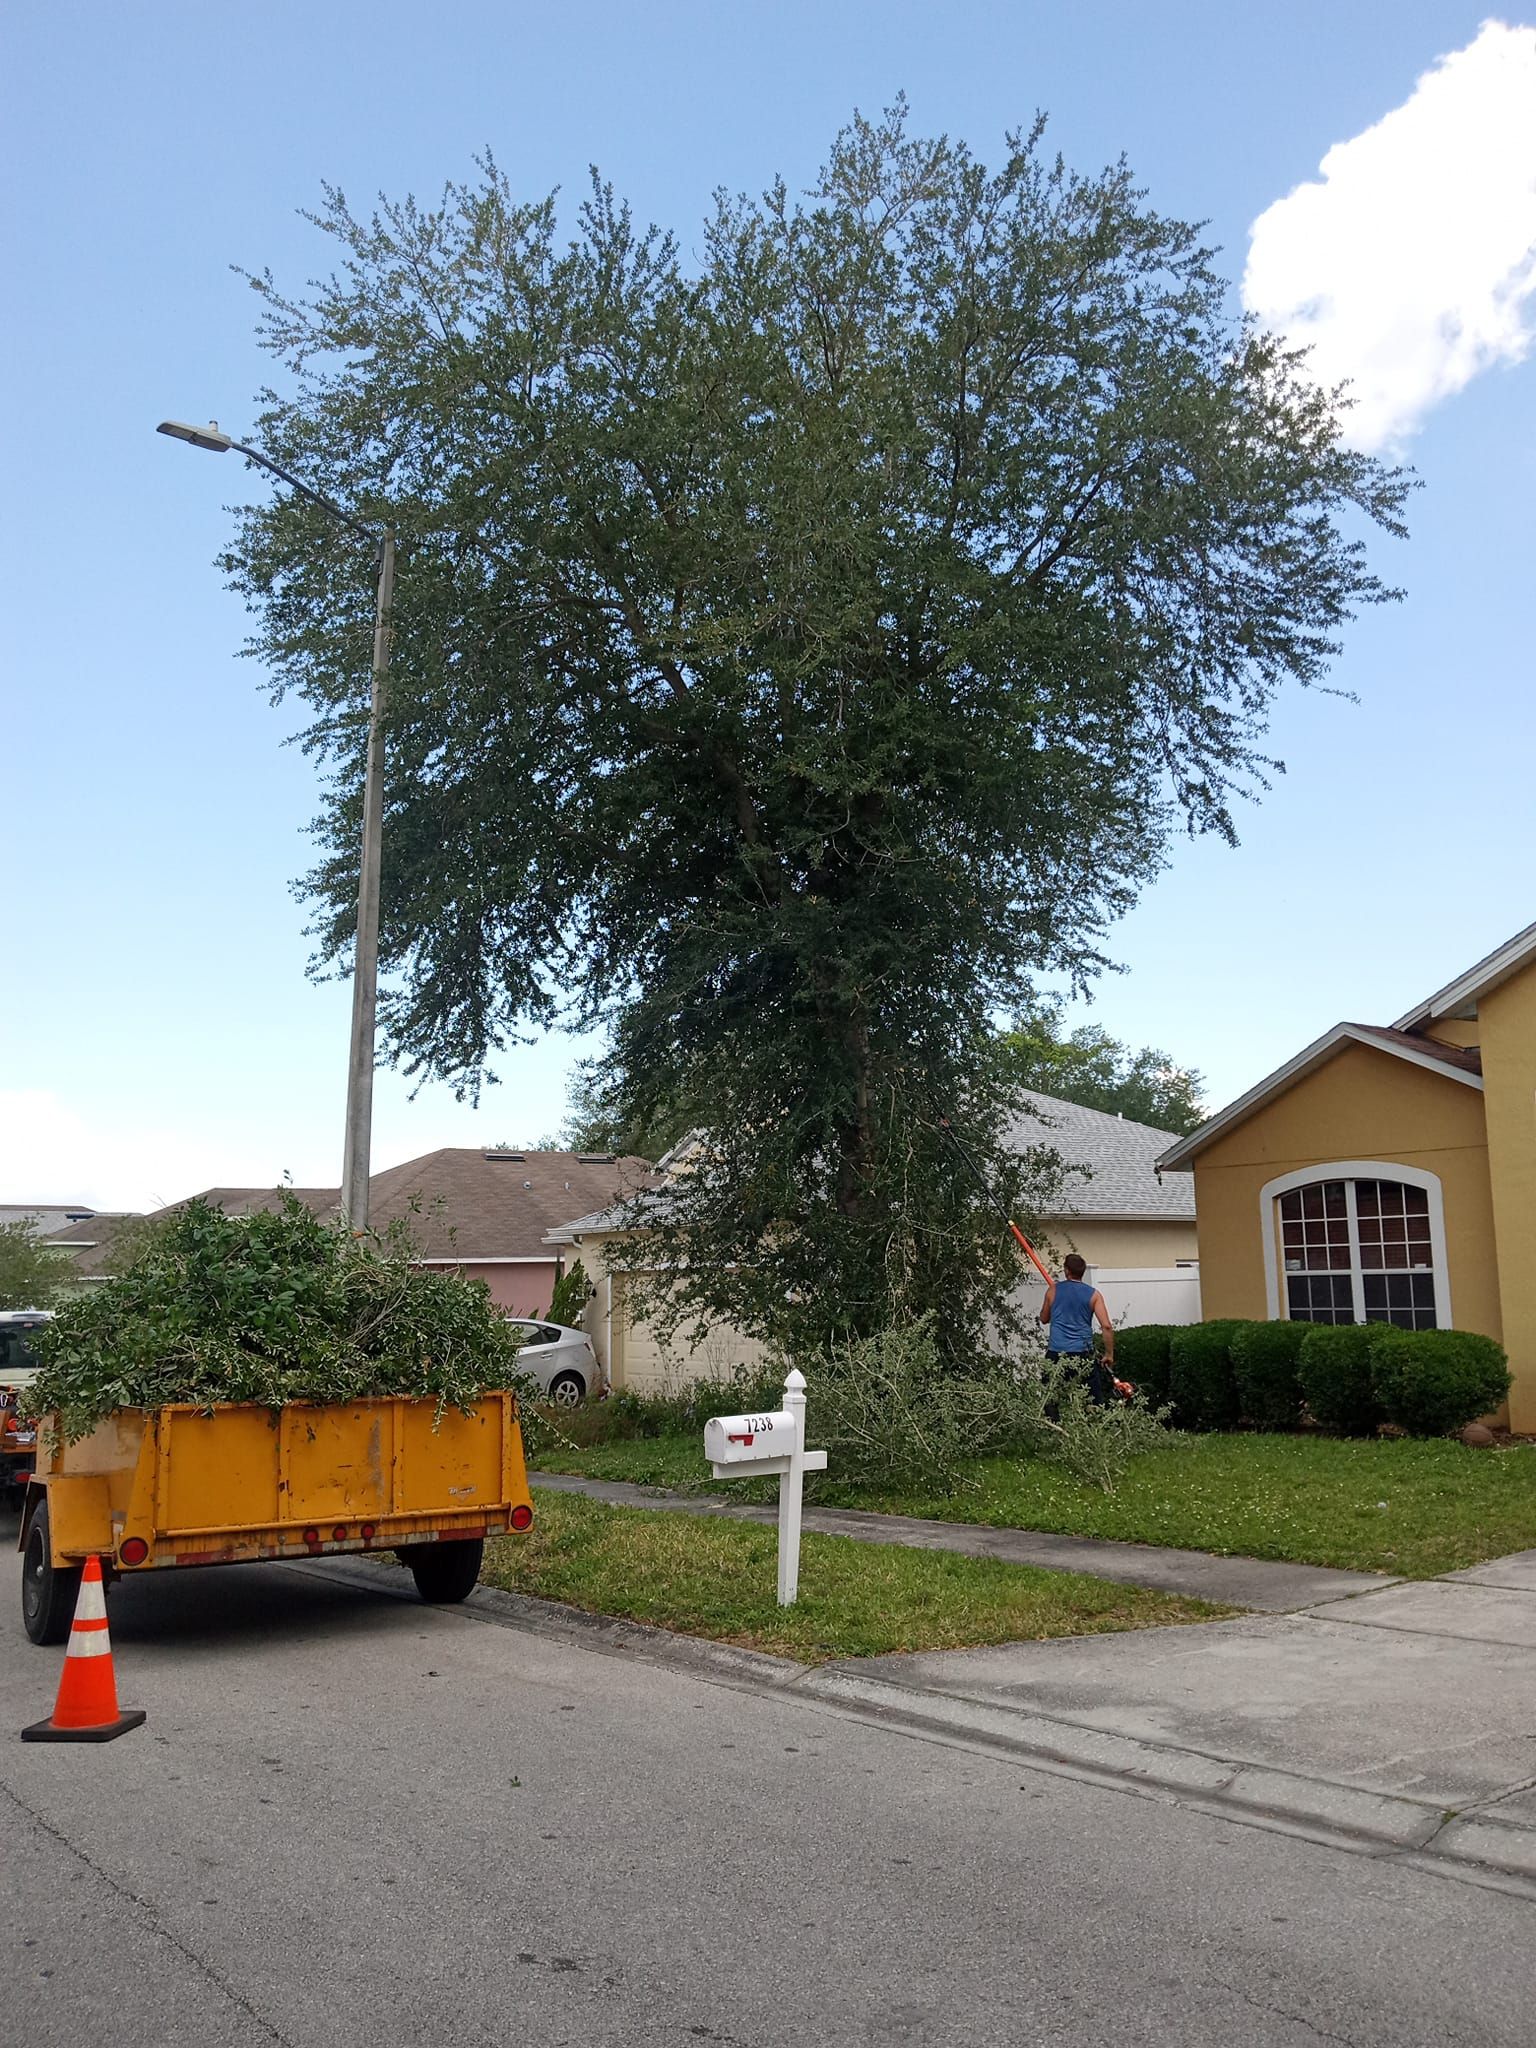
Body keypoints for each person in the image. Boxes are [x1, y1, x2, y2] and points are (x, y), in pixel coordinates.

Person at [1038, 1254, 1117, 1405]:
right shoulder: (1094, 1295)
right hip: (1082, 1354)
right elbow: (1106, 1326)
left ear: (1066, 1270)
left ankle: (1053, 1425)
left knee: (1050, 1400)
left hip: (1056, 1354)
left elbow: (1044, 1318)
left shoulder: (1053, 1291)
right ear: (1082, 1272)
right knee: (1092, 1401)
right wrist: (1109, 1354)